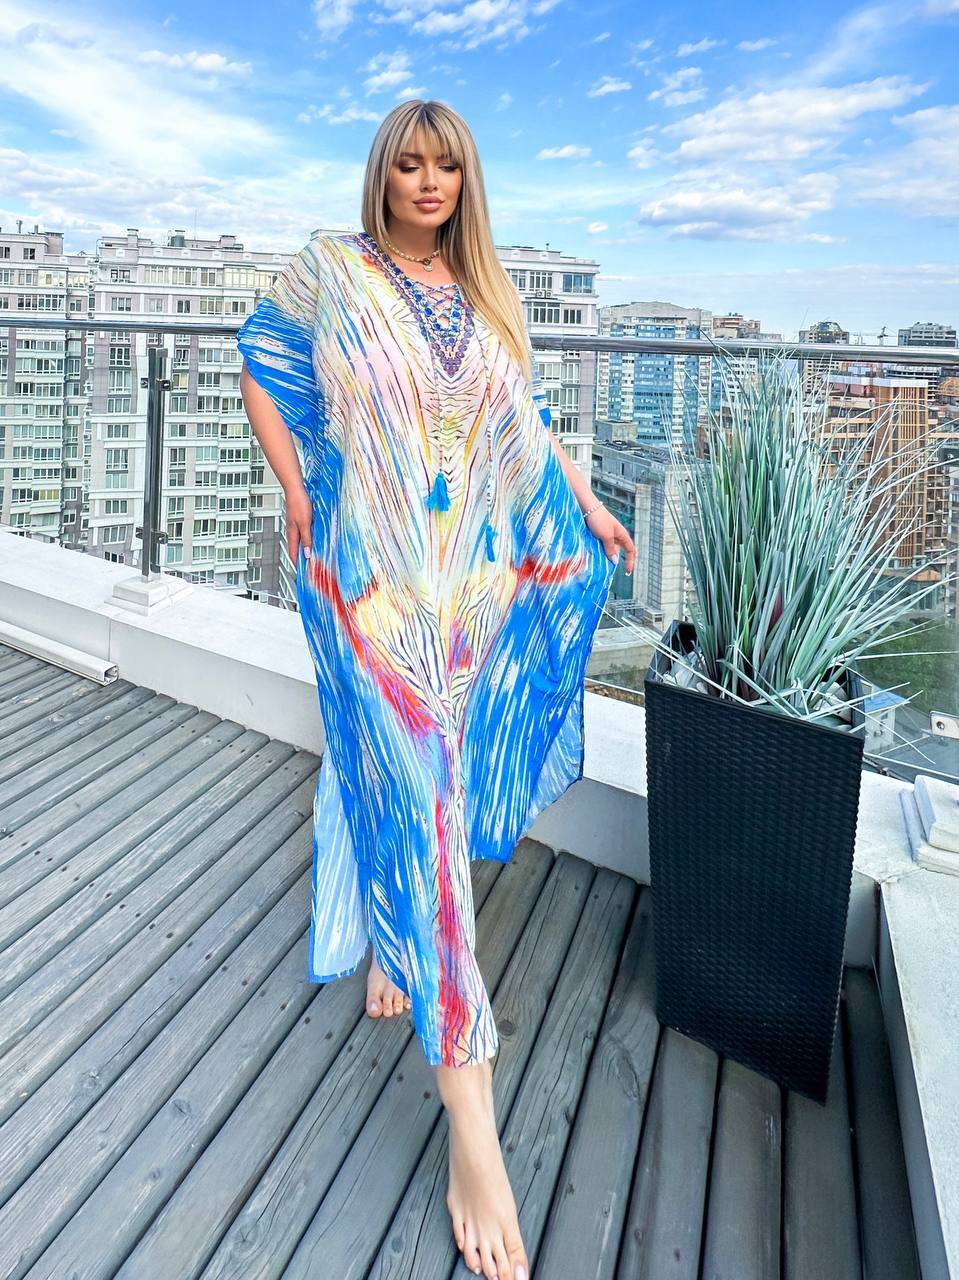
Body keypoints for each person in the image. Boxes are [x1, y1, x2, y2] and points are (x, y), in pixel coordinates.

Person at [238, 98, 635, 1280]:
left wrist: (586, 500)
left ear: (465, 181)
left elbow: (526, 425)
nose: (426, 181)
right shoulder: (332, 269)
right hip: (368, 594)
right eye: (407, 163)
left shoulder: (485, 295)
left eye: (444, 165)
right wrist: (292, 488)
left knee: (428, 796)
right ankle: (473, 1119)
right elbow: (258, 357)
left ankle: (392, 932)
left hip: (467, 593)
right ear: (382, 173)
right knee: (415, 790)